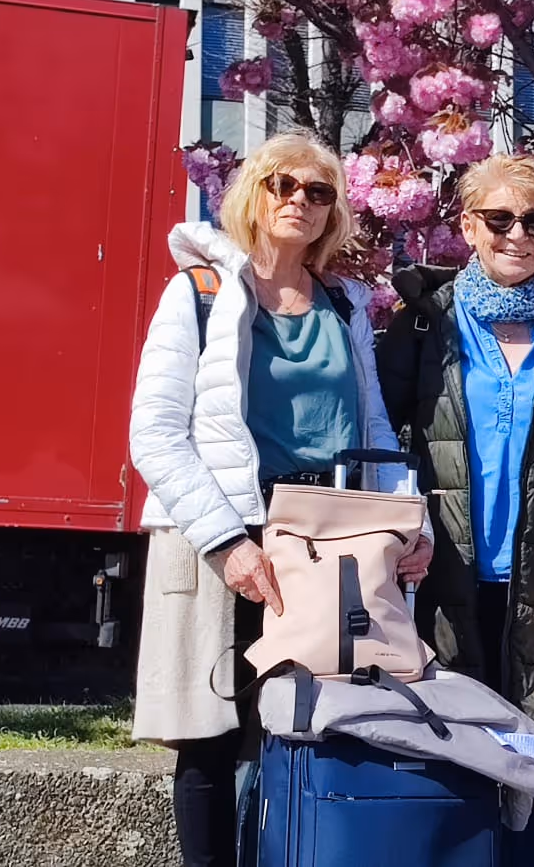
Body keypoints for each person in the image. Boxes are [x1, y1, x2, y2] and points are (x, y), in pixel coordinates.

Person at [128, 130, 429, 867]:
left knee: (310, 726)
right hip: (221, 536)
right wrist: (226, 543)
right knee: (212, 737)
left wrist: (406, 523)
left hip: (322, 540)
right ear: (253, 196)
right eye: (283, 186)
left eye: (318, 192)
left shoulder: (345, 304)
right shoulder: (198, 294)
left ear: (333, 213)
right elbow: (156, 434)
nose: (299, 201)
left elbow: (374, 428)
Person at [379, 153, 534, 867]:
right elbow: (386, 440)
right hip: (443, 582)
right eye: (499, 218)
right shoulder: (424, 328)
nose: (517, 234)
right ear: (467, 225)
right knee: (453, 763)